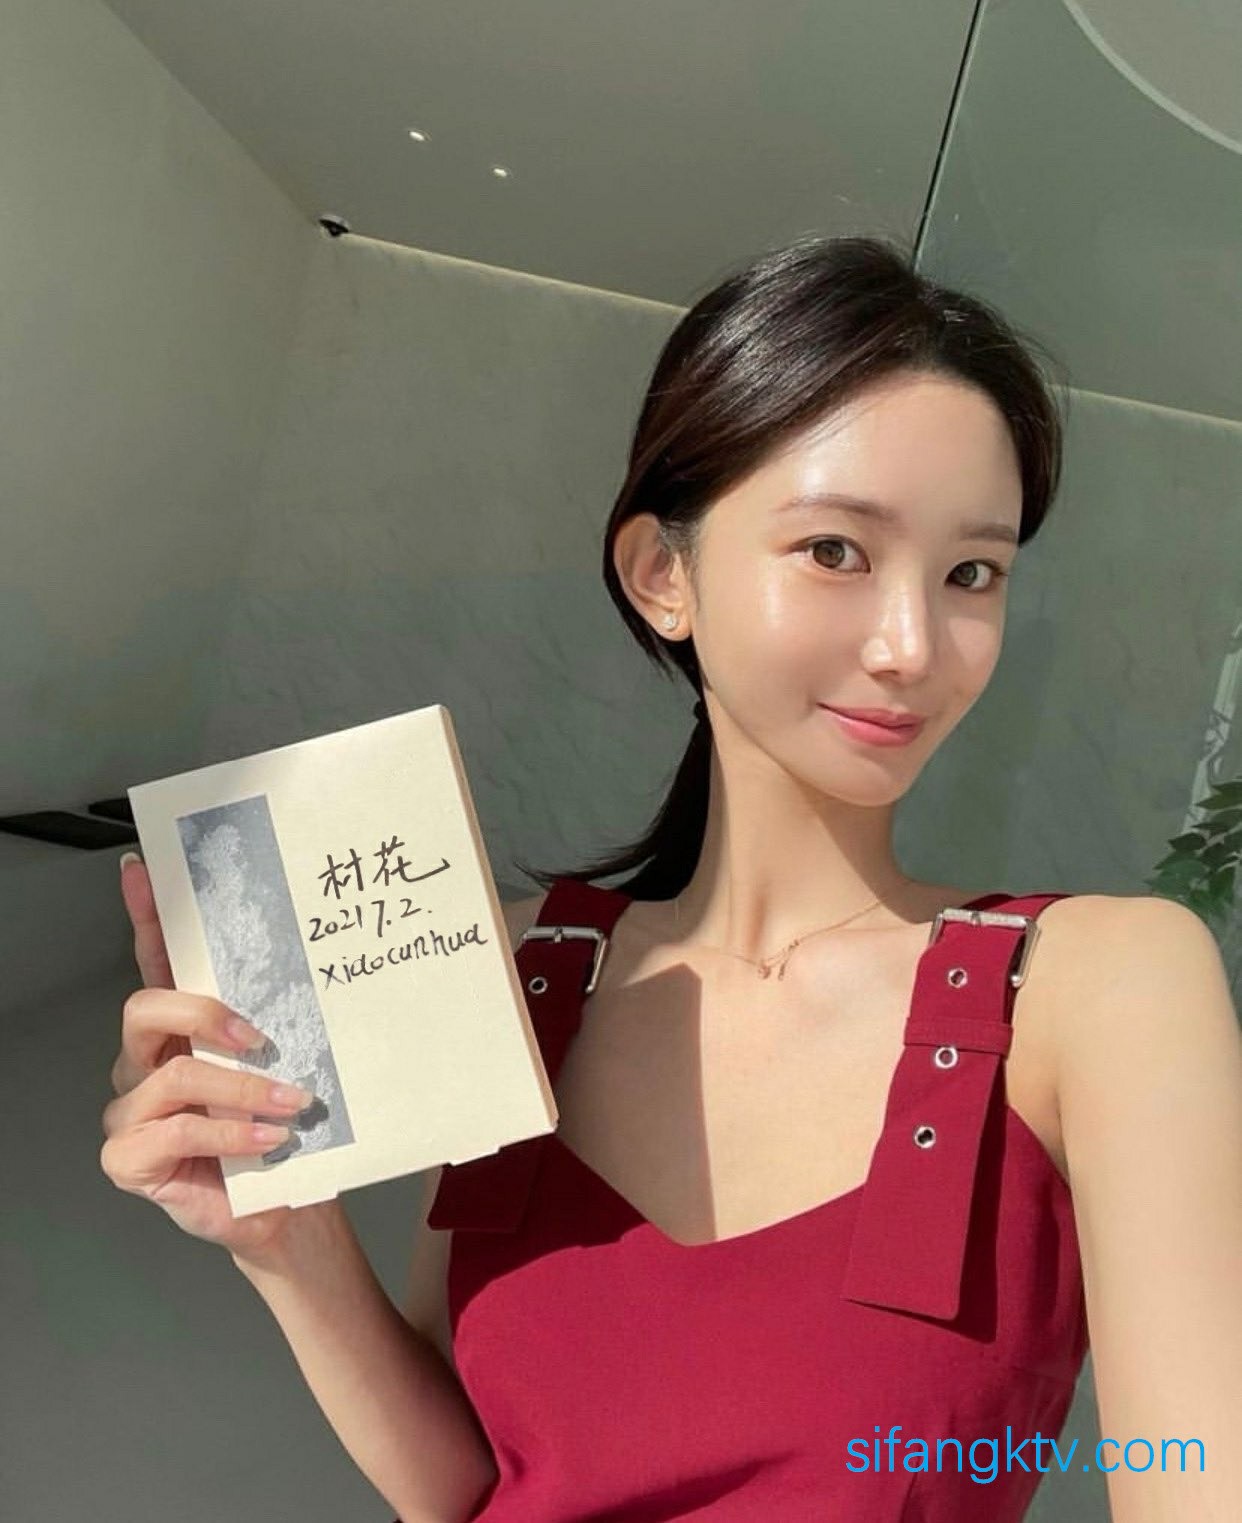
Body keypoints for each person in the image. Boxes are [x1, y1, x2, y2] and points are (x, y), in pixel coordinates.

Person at [100, 234, 1242, 1523]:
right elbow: (467, 1488)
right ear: (663, 574)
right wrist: (285, 1239)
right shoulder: (517, 972)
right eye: (836, 550)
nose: (914, 644)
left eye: (970, 573)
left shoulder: (1101, 988)